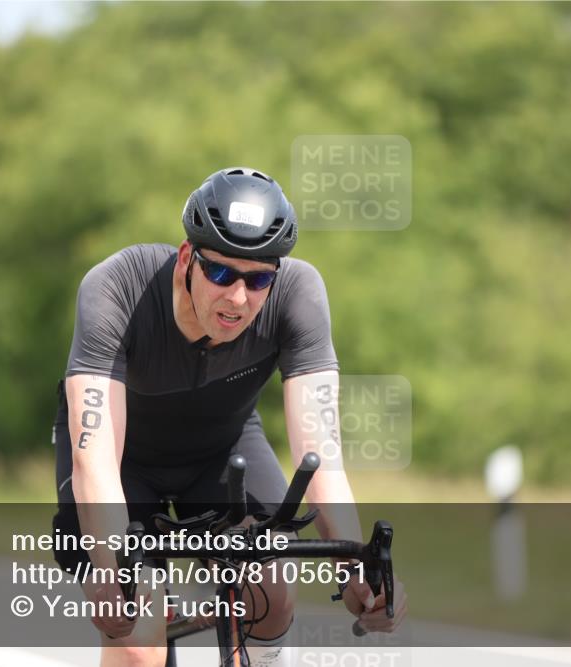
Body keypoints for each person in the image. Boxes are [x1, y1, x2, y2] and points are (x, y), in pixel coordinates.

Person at [51, 167, 407, 666]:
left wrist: (353, 570)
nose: (238, 298)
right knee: (138, 634)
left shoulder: (299, 293)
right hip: (119, 463)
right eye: (220, 273)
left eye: (258, 278)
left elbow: (322, 456)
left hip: (222, 453)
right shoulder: (116, 287)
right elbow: (96, 460)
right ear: (186, 260)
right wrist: (109, 566)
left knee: (274, 588)